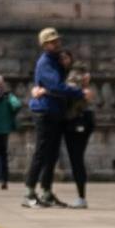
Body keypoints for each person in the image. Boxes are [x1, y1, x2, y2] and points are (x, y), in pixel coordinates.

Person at [24, 28, 91, 208]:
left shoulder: (56, 61)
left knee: (52, 154)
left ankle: (46, 191)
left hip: (55, 112)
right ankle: (29, 192)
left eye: (57, 40)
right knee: (41, 152)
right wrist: (80, 92)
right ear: (45, 45)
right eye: (52, 42)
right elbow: (56, 86)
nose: (57, 44)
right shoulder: (45, 62)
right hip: (45, 111)